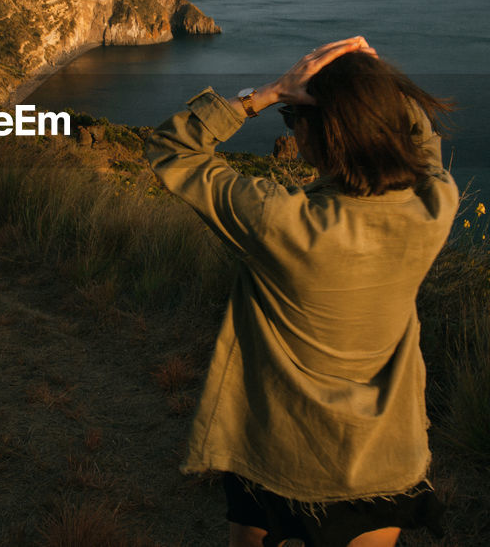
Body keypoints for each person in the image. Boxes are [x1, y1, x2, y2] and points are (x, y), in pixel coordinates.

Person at [145, 37, 458, 547]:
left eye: (292, 118)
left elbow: (171, 148)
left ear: (318, 134)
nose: (290, 129)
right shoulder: (431, 207)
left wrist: (264, 94)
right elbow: (424, 146)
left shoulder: (279, 222)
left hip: (276, 456)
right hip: (381, 463)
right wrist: (375, 88)